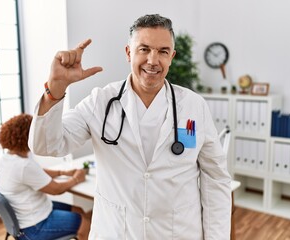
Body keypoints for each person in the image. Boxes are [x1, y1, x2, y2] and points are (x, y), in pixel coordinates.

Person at [29, 14, 231, 239]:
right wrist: (55, 89)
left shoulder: (193, 106)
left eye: (163, 51)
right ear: (128, 53)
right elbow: (46, 146)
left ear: (172, 56)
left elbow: (216, 179)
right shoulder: (100, 102)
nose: (153, 60)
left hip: (178, 232)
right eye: (144, 49)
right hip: (116, 231)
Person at [0, 113, 90, 240]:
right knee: (85, 224)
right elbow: (56, 190)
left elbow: (37, 172)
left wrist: (62, 173)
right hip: (34, 226)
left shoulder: (9, 158)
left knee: (78, 210)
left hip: (33, 213)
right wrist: (76, 179)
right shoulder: (23, 166)